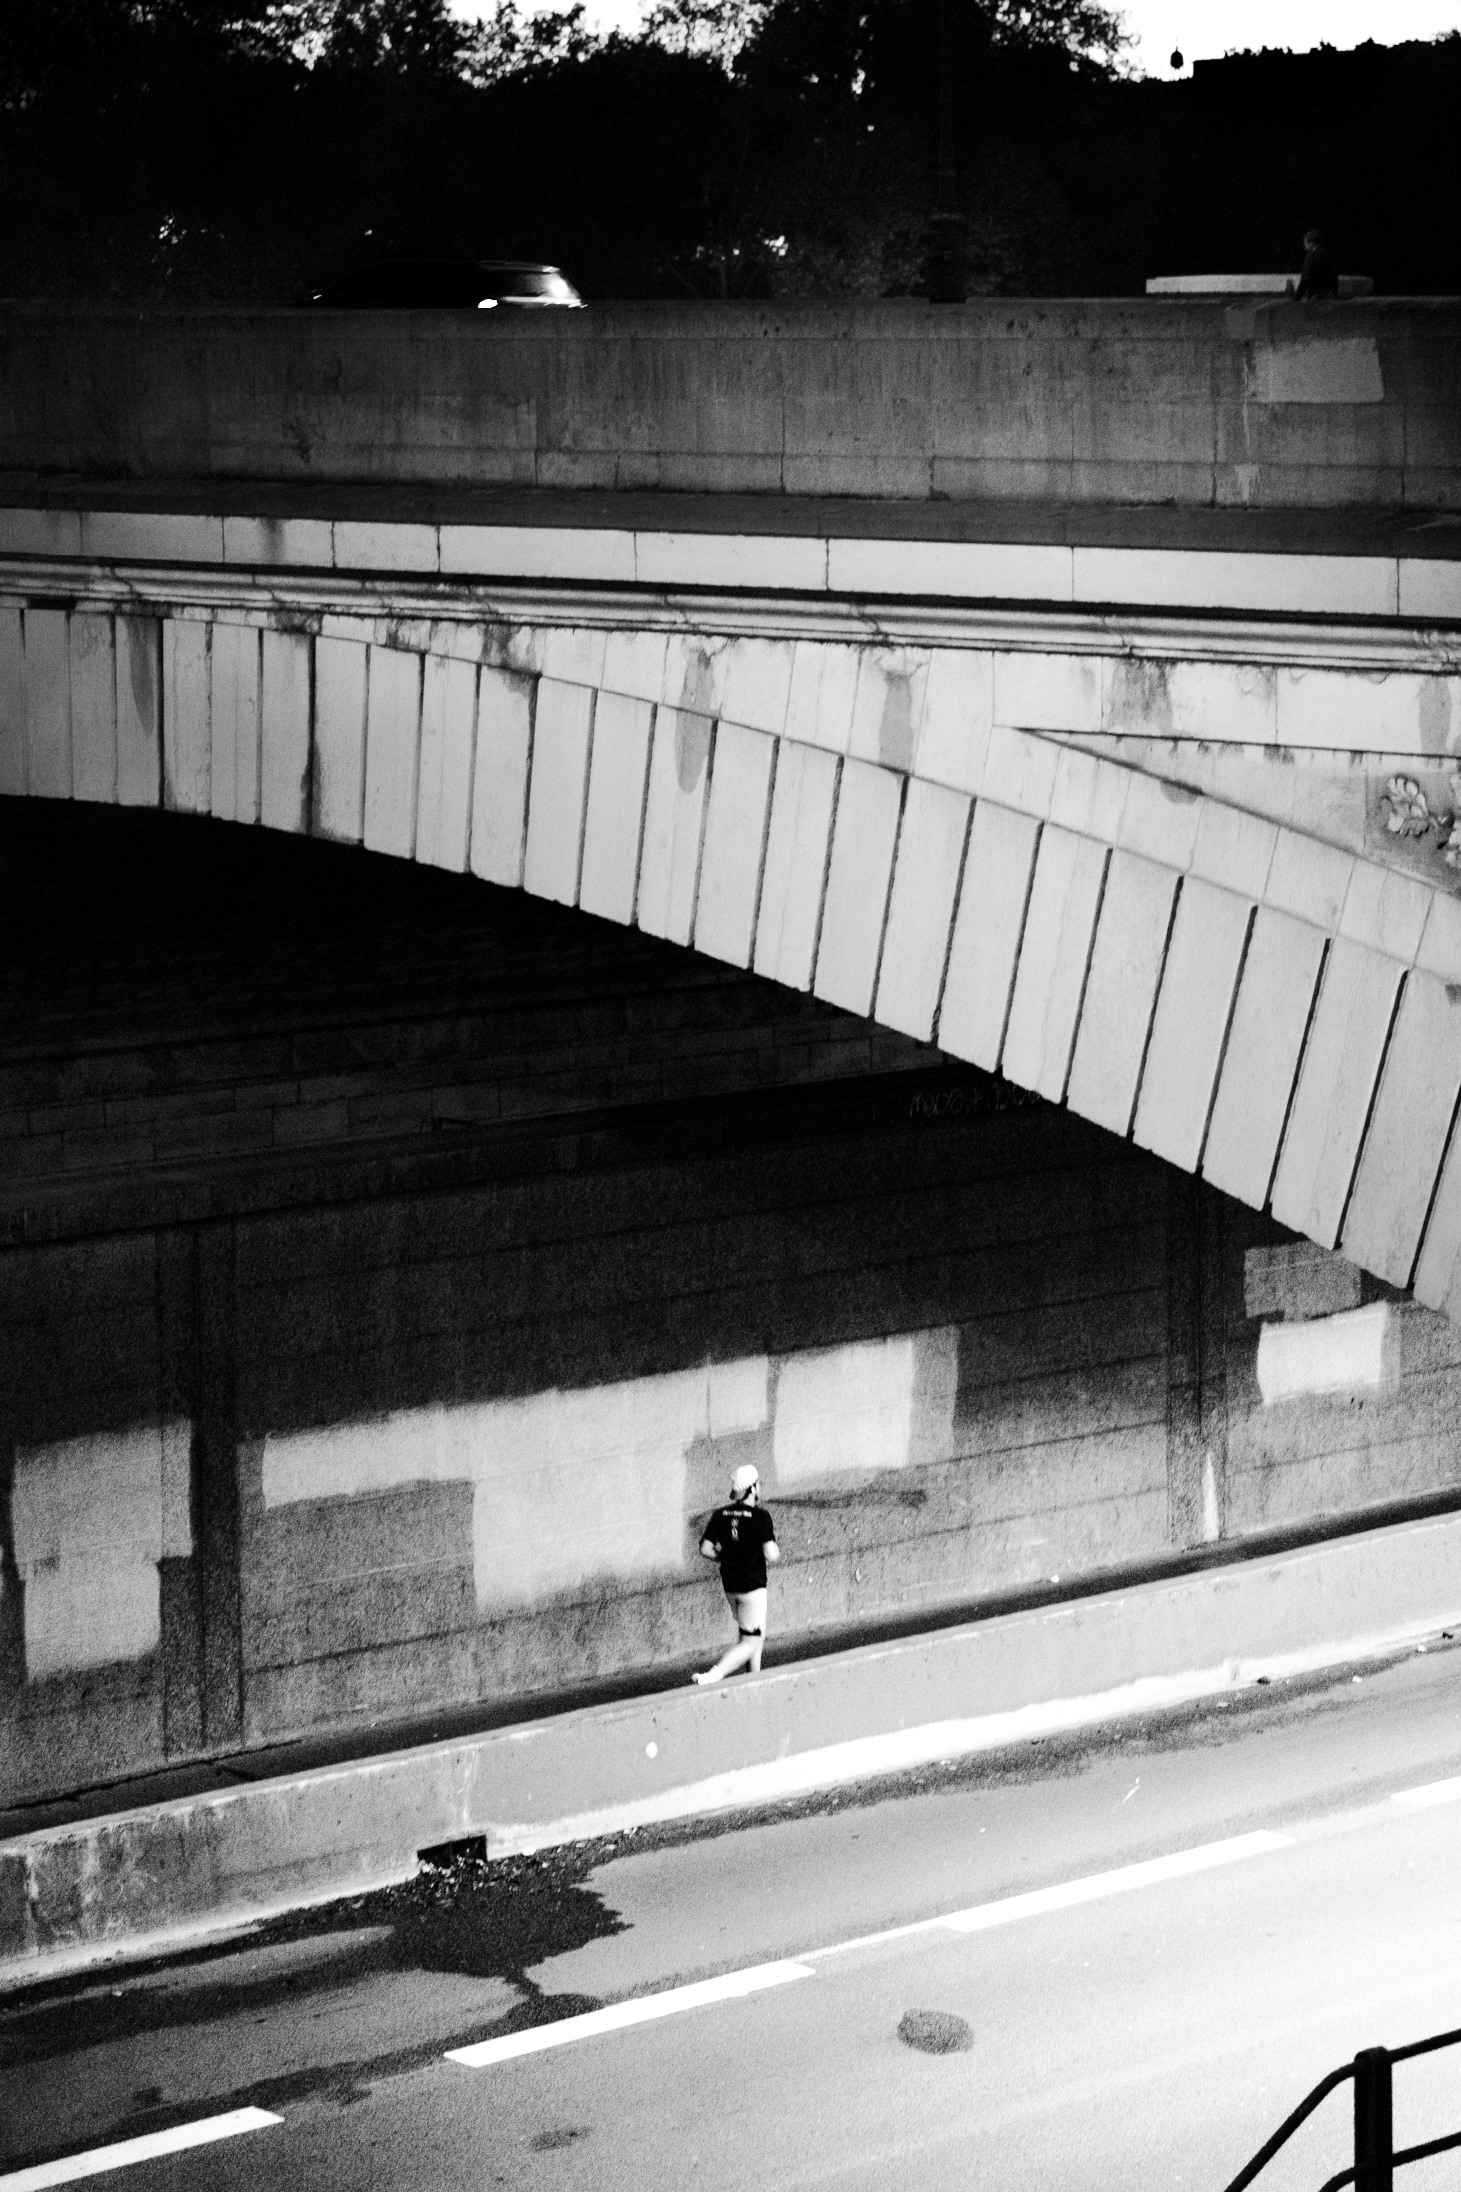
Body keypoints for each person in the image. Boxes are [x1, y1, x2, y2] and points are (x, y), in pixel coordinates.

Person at [691, 1463, 779, 1684]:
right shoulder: (761, 1517)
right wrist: (772, 1548)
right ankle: (713, 1675)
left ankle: (753, 1682)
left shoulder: (720, 1515)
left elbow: (705, 1549)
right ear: (752, 1488)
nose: (760, 1487)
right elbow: (771, 1553)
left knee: (752, 1635)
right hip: (753, 1587)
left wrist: (726, 1558)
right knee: (750, 1642)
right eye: (758, 1484)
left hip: (731, 1586)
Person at [1290, 230, 1339, 301]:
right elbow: (1335, 274)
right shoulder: (1330, 255)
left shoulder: (1311, 256)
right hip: (1329, 295)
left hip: (1315, 295)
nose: (1304, 246)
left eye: (1305, 243)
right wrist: (1334, 293)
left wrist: (1297, 297)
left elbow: (1306, 278)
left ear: (1311, 243)